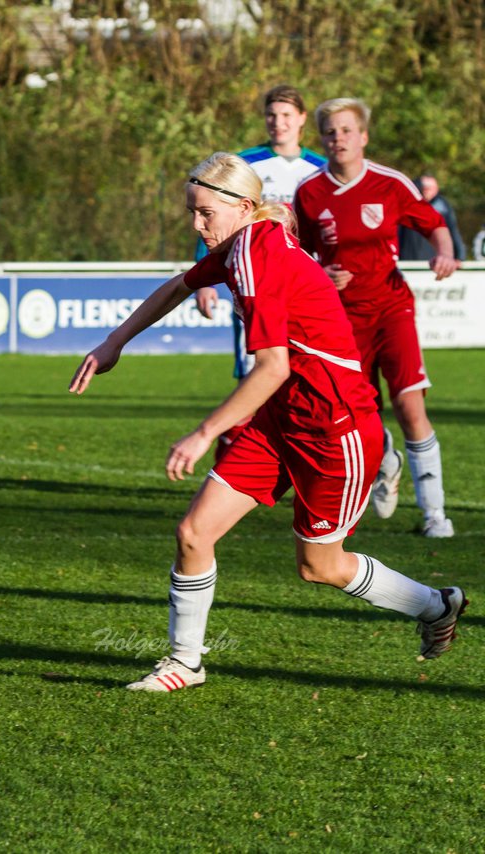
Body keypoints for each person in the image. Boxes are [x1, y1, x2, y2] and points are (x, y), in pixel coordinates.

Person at [69, 153, 468, 692]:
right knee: (193, 532)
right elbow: (178, 286)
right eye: (191, 212)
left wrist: (205, 431)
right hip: (279, 423)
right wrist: (115, 341)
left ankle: (435, 605)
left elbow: (273, 365)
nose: (196, 224)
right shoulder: (239, 244)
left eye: (205, 212)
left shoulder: (258, 255)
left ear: (242, 207)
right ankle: (186, 663)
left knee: (319, 567)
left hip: (336, 429)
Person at [295, 98, 460, 537]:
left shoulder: (389, 184)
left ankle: (435, 515)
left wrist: (445, 252)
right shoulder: (309, 193)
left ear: (363, 136)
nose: (339, 138)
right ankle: (385, 455)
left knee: (409, 404)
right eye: (330, 131)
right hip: (340, 321)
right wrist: (322, 275)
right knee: (357, 415)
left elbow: (433, 224)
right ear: (322, 139)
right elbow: (303, 256)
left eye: (347, 130)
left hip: (392, 307)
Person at [194, 85, 326, 459]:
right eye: (272, 115)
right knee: (254, 372)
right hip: (251, 282)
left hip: (303, 288)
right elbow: (211, 213)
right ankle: (230, 457)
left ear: (302, 118)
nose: (278, 122)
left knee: (305, 374)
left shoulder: (319, 169)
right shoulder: (245, 164)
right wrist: (204, 280)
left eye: (286, 115)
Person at [398, 173, 466, 261]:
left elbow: (453, 231)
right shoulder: (406, 205)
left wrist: (460, 257)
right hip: (408, 259)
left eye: (430, 188)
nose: (426, 190)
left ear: (436, 189)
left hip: (434, 261)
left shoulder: (443, 207)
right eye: (424, 187)